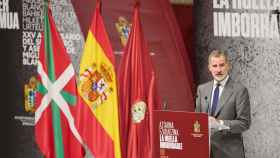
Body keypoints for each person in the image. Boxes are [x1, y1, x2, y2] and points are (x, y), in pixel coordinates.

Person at [195, 50, 251, 158]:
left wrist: (219, 123)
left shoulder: (240, 90)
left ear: (228, 66)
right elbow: (196, 118)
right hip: (205, 151)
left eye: (221, 65)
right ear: (209, 68)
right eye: (214, 66)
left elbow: (244, 123)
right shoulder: (202, 89)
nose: (218, 70)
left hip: (229, 153)